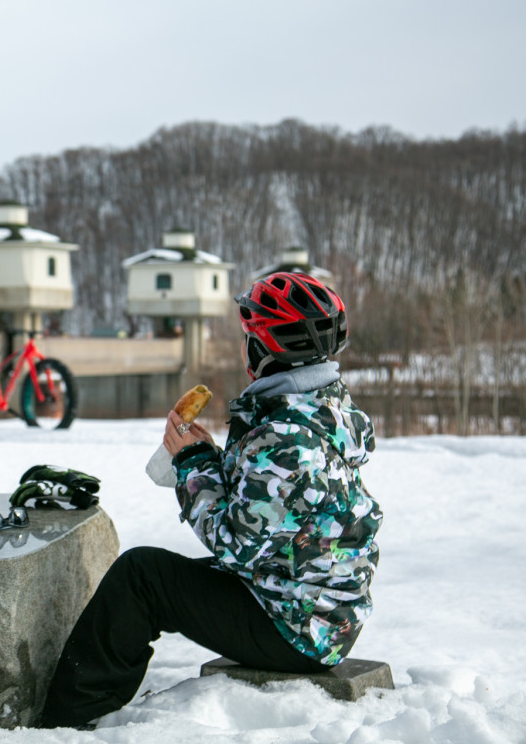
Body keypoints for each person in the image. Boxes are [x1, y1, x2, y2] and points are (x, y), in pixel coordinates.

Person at [40, 271, 382, 729]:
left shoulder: (286, 437)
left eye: (248, 337)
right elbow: (272, 509)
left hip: (297, 629)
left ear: (264, 348)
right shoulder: (318, 410)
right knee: (155, 577)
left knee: (142, 577)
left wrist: (193, 462)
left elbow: (234, 540)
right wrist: (209, 457)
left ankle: (67, 722)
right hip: (313, 604)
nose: (244, 348)